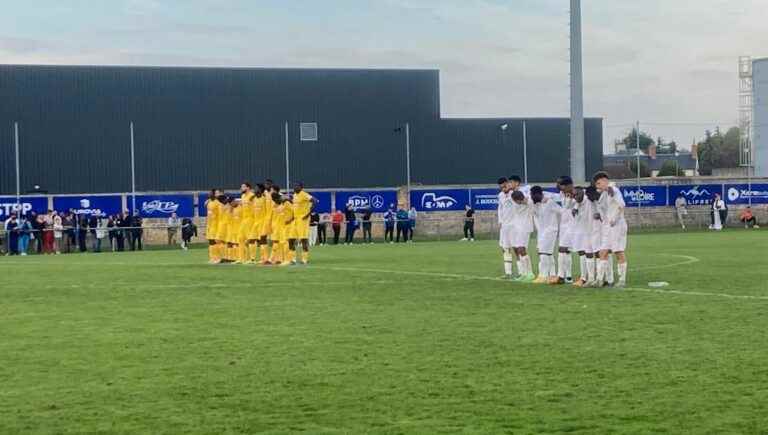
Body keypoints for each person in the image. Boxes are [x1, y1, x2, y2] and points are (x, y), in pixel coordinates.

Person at [594, 171, 629, 288]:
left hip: (617, 225)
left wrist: (615, 219)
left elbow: (622, 205)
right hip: (608, 227)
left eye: (598, 183)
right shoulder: (604, 194)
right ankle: (599, 280)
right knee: (602, 252)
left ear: (605, 181)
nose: (597, 186)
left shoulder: (613, 190)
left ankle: (622, 280)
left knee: (618, 251)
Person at [531, 186, 559, 284]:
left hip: (551, 231)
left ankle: (543, 276)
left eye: (533, 194)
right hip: (542, 232)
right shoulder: (535, 205)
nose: (532, 196)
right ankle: (552, 275)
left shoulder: (550, 202)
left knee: (544, 253)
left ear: (540, 194)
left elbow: (561, 211)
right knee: (548, 253)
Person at [553, 176, 576, 284]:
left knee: (562, 249)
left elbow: (570, 206)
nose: (560, 187)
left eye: (562, 185)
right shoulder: (563, 193)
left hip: (572, 226)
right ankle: (569, 276)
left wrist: (572, 195)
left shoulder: (577, 193)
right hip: (564, 225)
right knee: (566, 251)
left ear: (568, 185)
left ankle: (560, 276)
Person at [289, 182, 316, 264]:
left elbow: (314, 200)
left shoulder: (304, 194)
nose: (294, 187)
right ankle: (293, 259)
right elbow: (295, 208)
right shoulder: (294, 195)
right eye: (294, 186)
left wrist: (308, 214)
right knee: (291, 239)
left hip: (303, 220)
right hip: (295, 220)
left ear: (301, 187)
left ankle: (304, 259)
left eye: (296, 186)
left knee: (303, 239)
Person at [205, 189, 224, 263]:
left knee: (216, 242)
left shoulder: (218, 203)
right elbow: (208, 215)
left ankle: (218, 258)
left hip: (216, 225)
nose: (209, 194)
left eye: (210, 193)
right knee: (211, 242)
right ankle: (212, 258)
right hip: (210, 225)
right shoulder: (209, 203)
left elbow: (220, 216)